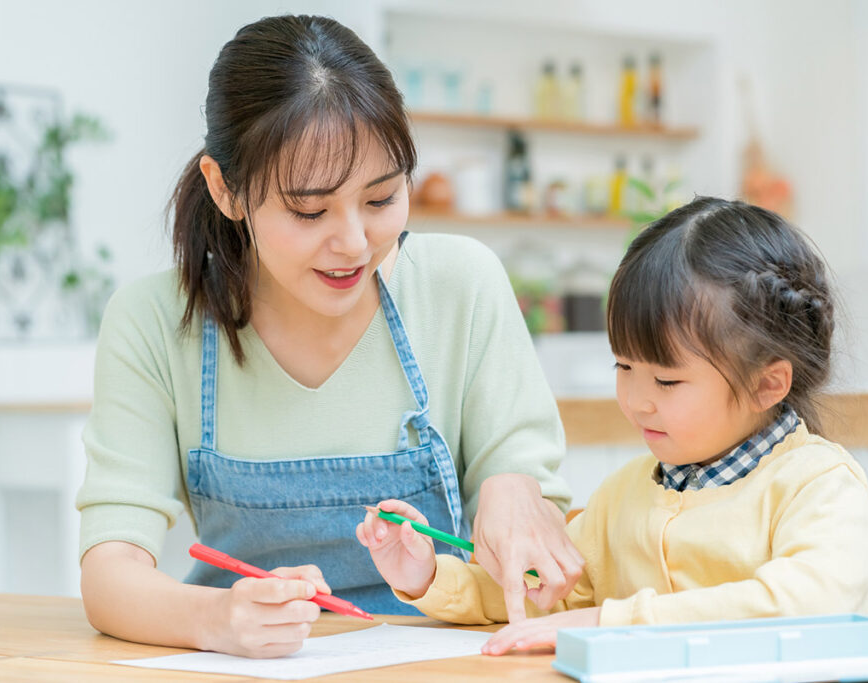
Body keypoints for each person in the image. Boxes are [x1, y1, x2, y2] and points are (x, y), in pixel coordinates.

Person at [76, 14, 581, 658]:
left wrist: (514, 487)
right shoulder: (154, 320)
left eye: (381, 199)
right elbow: (110, 572)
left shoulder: (461, 284)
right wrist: (220, 621)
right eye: (309, 210)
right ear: (225, 189)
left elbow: (539, 569)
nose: (353, 243)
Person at [358, 196, 868, 655]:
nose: (636, 401)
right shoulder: (624, 495)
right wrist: (430, 577)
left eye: (667, 382)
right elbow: (545, 596)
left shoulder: (821, 486)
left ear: (768, 385)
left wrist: (611, 623)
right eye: (624, 368)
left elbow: (803, 606)